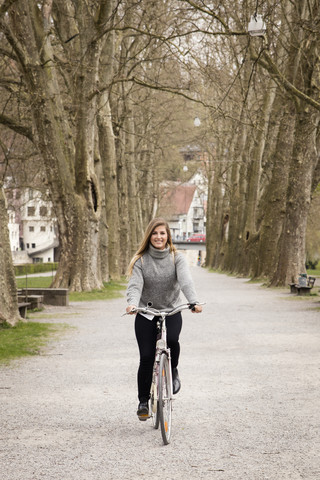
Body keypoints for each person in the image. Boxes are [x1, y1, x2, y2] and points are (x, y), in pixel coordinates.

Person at [126, 217, 202, 421]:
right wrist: (132, 303)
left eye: (162, 233)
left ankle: (173, 369)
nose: (158, 237)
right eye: (154, 233)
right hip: (146, 313)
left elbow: (186, 281)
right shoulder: (141, 260)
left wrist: (193, 301)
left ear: (168, 236)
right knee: (146, 357)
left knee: (173, 340)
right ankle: (143, 401)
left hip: (171, 310)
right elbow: (135, 286)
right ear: (149, 236)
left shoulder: (177, 258)